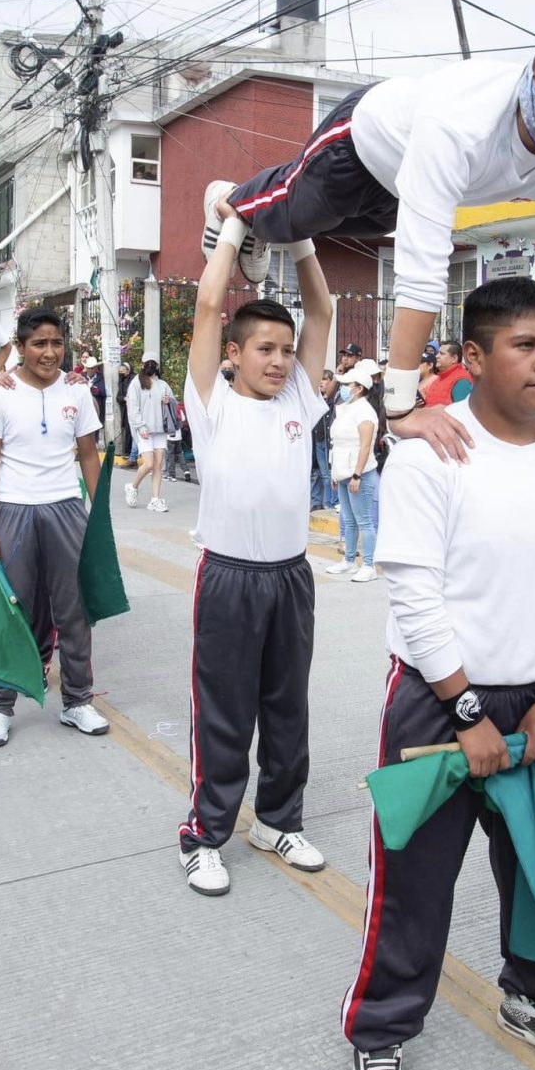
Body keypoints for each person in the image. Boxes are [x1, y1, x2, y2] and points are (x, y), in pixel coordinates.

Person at [342, 275, 535, 1070]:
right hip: (435, 698)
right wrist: (468, 714)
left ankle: (532, 997)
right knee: (412, 882)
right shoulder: (428, 454)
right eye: (524, 345)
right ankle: (380, 1034)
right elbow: (416, 600)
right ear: (473, 358)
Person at [206, 0, 535, 465]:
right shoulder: (463, 122)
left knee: (315, 231)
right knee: (293, 212)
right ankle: (229, 201)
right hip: (361, 146)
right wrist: (399, 409)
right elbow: (422, 273)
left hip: (401, 193)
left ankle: (259, 225)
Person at [177, 206, 332, 897]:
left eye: (285, 349)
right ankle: (205, 835)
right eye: (263, 349)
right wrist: (235, 224)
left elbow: (323, 307)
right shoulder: (212, 400)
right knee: (225, 712)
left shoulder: (300, 395)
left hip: (290, 578)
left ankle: (276, 819)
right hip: (230, 578)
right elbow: (211, 304)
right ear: (234, 354)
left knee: (286, 707)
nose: (278, 360)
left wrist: (294, 226)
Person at [0, 309, 111, 748]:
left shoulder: (78, 390)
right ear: (22, 346)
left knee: (75, 611)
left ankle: (77, 701)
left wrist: (99, 516)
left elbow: (88, 455)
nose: (49, 352)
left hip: (66, 509)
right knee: (10, 609)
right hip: (14, 511)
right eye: (39, 344)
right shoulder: (0, 394)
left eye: (56, 343)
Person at [327, 357, 383, 581]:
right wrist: (335, 473)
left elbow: (365, 446)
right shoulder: (345, 409)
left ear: (359, 389)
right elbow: (337, 444)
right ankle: (349, 560)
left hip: (359, 473)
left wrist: (358, 475)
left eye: (346, 385)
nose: (342, 389)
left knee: (364, 520)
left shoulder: (365, 412)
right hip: (342, 471)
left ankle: (368, 564)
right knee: (349, 520)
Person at [124, 359, 175, 511]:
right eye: (147, 362)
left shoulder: (163, 384)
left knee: (158, 465)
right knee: (149, 464)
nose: (150, 366)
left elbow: (173, 401)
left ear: (158, 366)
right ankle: (133, 487)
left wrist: (168, 401)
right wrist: (140, 426)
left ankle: (155, 499)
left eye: (153, 363)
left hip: (160, 430)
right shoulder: (136, 383)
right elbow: (132, 406)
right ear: (142, 364)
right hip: (144, 429)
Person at [310, 369, 338, 510]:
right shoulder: (315, 399)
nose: (321, 382)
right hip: (317, 439)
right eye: (320, 379)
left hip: (327, 441)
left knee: (328, 474)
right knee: (319, 473)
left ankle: (330, 503)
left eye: (325, 379)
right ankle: (318, 503)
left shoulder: (332, 400)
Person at [420, 340, 472, 407]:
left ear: (454, 358)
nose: (436, 356)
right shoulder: (439, 378)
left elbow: (462, 412)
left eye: (442, 354)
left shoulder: (461, 381)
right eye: (438, 353)